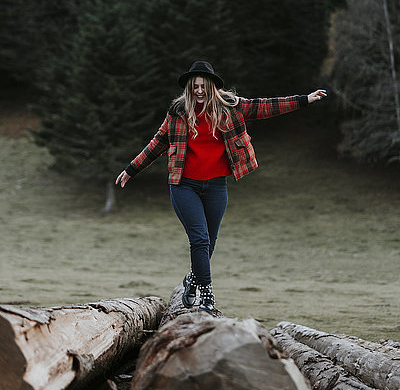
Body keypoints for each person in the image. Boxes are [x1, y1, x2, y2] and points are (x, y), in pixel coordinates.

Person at [115, 61, 327, 313]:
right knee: (200, 239)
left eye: (204, 86)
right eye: (195, 86)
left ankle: (192, 280)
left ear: (213, 86)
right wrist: (131, 169)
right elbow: (158, 143)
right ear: (189, 89)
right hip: (184, 186)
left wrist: (305, 99)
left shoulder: (230, 108)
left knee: (210, 242)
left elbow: (266, 106)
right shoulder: (178, 112)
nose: (200, 91)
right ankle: (207, 296)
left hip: (216, 186)